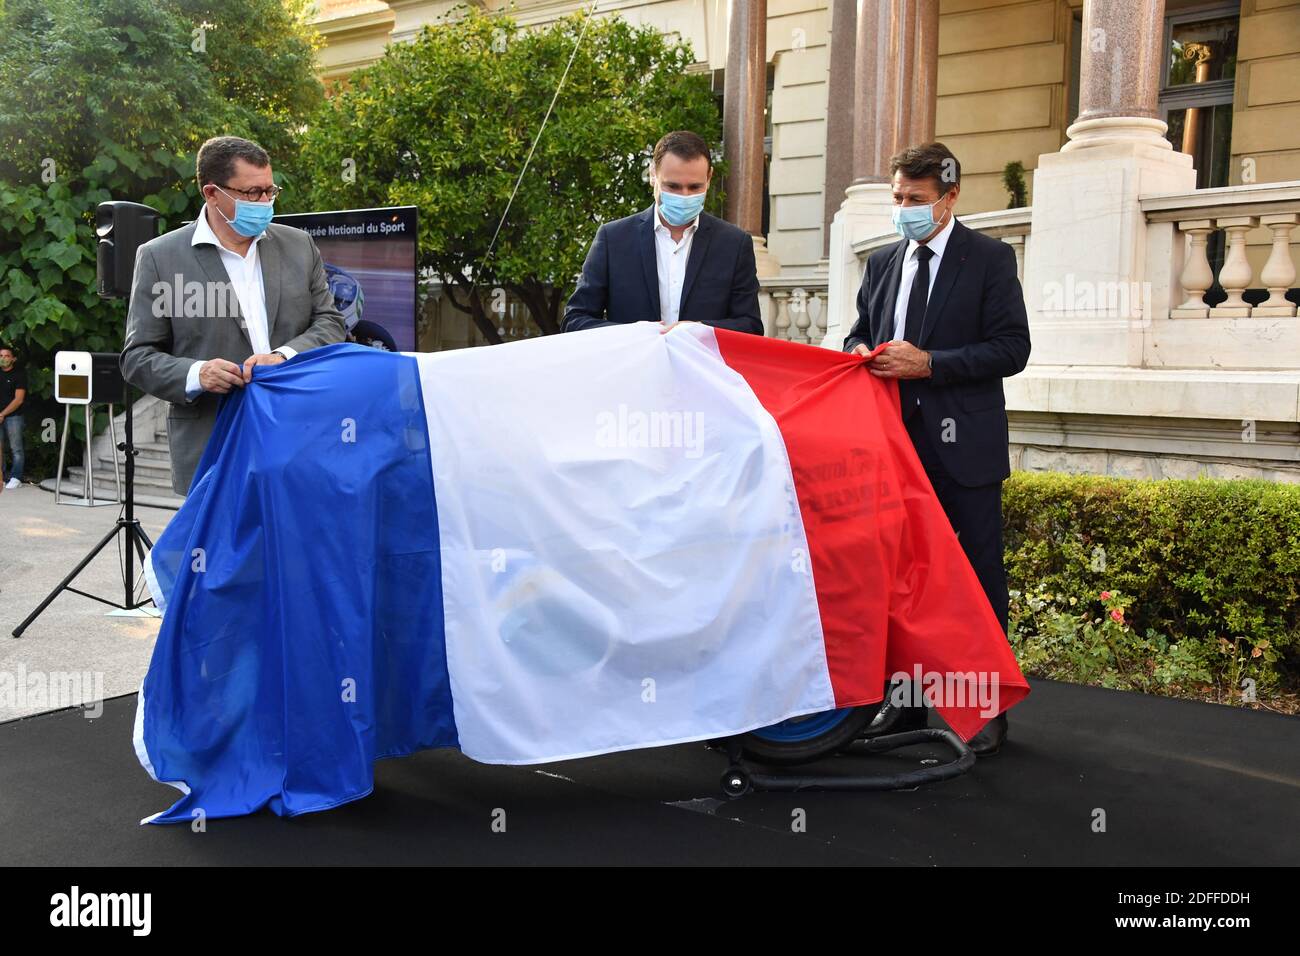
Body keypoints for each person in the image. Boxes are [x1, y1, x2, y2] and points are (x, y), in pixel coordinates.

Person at [844, 142, 1031, 755]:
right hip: (892, 449)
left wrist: (930, 365)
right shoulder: (880, 264)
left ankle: (982, 713)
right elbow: (859, 334)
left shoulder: (989, 260)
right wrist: (856, 355)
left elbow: (1012, 350)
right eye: (898, 198)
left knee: (974, 581)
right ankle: (903, 709)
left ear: (950, 197)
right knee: (899, 582)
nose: (904, 210)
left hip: (964, 452)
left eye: (916, 201)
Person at [121, 136, 345, 494]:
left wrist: (284, 357)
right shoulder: (159, 257)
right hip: (213, 447)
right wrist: (198, 373)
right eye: (252, 193)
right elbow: (137, 357)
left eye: (271, 191)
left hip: (301, 438)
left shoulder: (299, 245)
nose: (265, 202)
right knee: (217, 551)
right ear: (212, 193)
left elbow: (331, 322)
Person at [563, 130, 763, 335]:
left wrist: (698, 331)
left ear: (709, 177)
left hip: (700, 365)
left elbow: (751, 325)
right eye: (672, 186)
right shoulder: (613, 238)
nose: (684, 196)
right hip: (637, 364)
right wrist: (634, 333)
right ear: (653, 175)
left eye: (695, 187)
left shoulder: (734, 244)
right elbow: (575, 320)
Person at [0, 344, 27, 490]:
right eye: (1, 356)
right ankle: (1, 477)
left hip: (14, 417)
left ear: (13, 359)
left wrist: (2, 414)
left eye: (7, 356)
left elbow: (19, 399)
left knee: (16, 448)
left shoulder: (19, 375)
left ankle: (16, 477)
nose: (3, 358)